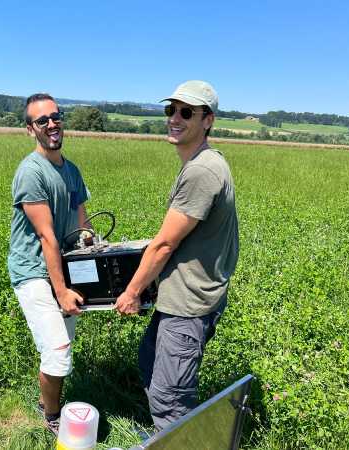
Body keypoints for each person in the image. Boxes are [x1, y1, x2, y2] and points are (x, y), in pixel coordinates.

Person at [115, 80, 239, 431]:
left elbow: (165, 245)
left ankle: (173, 435)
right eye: (171, 110)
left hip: (188, 303)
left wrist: (132, 292)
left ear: (208, 120)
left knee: (171, 396)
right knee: (150, 361)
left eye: (187, 112)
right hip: (185, 295)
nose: (175, 118)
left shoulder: (201, 170)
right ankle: (161, 434)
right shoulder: (205, 162)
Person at [7, 93, 91, 435]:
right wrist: (61, 292)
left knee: (62, 347)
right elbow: (46, 238)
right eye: (42, 121)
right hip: (34, 272)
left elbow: (83, 225)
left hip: (64, 269)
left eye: (56, 117)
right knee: (58, 349)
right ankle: (52, 419)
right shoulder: (31, 172)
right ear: (31, 130)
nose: (52, 124)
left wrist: (94, 254)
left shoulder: (71, 171)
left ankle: (48, 401)